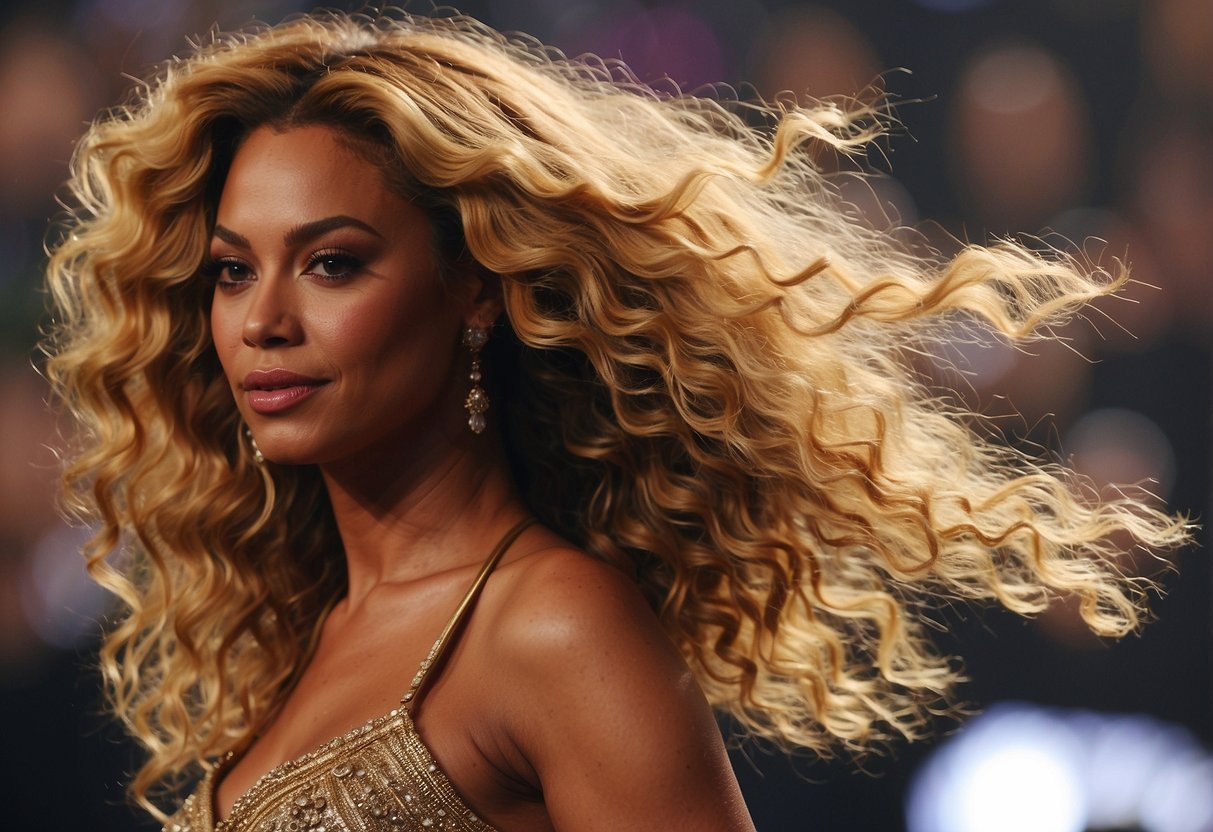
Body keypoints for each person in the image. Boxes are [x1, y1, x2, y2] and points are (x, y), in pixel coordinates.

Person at [43, 9, 1190, 832]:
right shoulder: (301, 629)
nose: (262, 321)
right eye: (234, 272)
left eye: (332, 264)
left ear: (474, 292)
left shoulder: (553, 626)